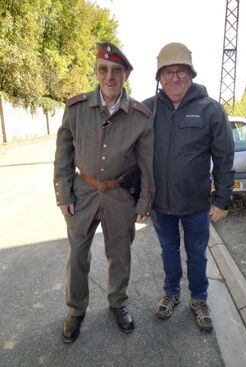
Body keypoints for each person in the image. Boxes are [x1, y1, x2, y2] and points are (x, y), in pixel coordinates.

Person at [54, 42, 154, 343]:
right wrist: (64, 195)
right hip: (83, 194)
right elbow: (63, 156)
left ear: (126, 75)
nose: (110, 76)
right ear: (96, 71)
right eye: (104, 69)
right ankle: (75, 310)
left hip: (120, 196)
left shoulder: (140, 116)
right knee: (78, 257)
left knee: (120, 256)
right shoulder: (76, 108)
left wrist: (144, 200)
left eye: (117, 71)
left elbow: (147, 163)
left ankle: (118, 303)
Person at [143, 42, 234, 332]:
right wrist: (139, 199)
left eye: (180, 71)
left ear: (191, 74)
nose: (174, 78)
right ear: (159, 77)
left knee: (197, 253)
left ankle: (199, 299)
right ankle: (172, 293)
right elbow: (132, 153)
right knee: (168, 251)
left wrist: (222, 199)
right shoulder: (147, 109)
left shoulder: (211, 110)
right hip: (161, 204)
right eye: (167, 73)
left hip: (196, 204)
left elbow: (223, 156)